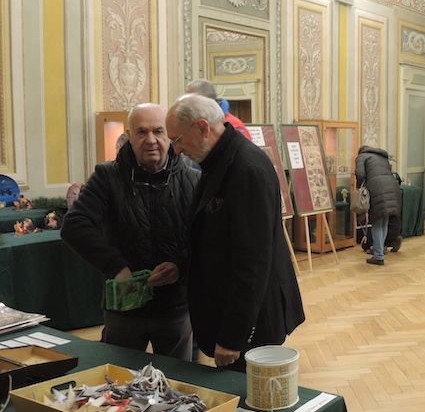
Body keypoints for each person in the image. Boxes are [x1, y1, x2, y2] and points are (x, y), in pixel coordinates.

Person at [166, 93, 304, 370]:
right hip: (230, 310)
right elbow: (211, 237)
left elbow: (252, 261)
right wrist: (180, 266)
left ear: (202, 128)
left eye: (177, 140)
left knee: (245, 393)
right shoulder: (218, 160)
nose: (177, 150)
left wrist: (233, 336)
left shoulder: (246, 168)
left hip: (250, 322)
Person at [62, 104, 198, 360]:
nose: (151, 140)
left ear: (169, 135)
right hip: (124, 309)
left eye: (158, 131)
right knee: (117, 378)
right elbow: (74, 226)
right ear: (129, 135)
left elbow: (205, 239)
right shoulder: (106, 177)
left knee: (179, 379)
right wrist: (116, 266)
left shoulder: (192, 180)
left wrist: (180, 266)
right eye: (142, 132)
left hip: (175, 308)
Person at [355, 145, 401, 266]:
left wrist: (359, 189)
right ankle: (379, 249)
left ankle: (378, 255)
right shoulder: (381, 156)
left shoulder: (362, 156)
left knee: (376, 222)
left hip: (377, 189)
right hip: (392, 187)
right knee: (384, 221)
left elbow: (360, 174)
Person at [185, 79, 253, 141]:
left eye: (190, 101)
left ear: (205, 102)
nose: (186, 105)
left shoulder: (233, 126)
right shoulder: (193, 124)